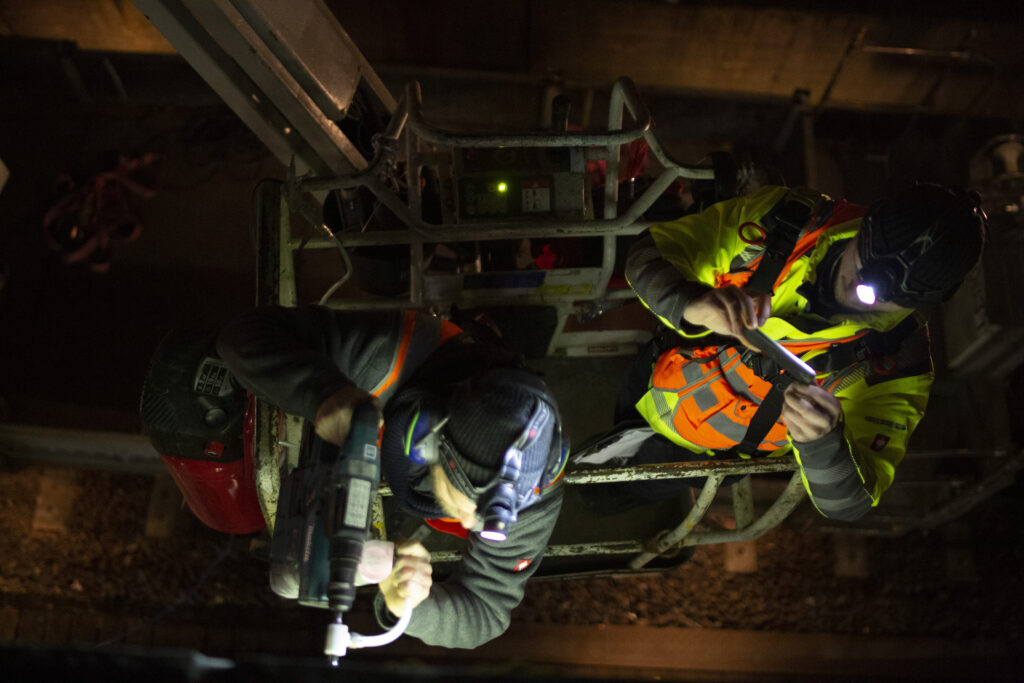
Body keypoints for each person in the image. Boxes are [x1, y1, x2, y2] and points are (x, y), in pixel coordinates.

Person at [617, 183, 987, 521]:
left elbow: (850, 503)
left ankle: (617, 498)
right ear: (866, 221)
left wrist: (824, 444)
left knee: (623, 491)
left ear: (926, 302)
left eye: (890, 298)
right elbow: (650, 252)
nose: (860, 289)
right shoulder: (784, 219)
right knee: (616, 425)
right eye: (863, 261)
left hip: (707, 454)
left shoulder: (898, 364)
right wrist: (691, 303)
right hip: (650, 379)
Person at [216, 306, 566, 648]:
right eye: (468, 507)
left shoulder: (534, 485)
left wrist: (407, 603)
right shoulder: (385, 355)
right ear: (426, 440)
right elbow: (240, 338)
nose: (476, 526)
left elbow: (486, 612)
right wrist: (324, 394)